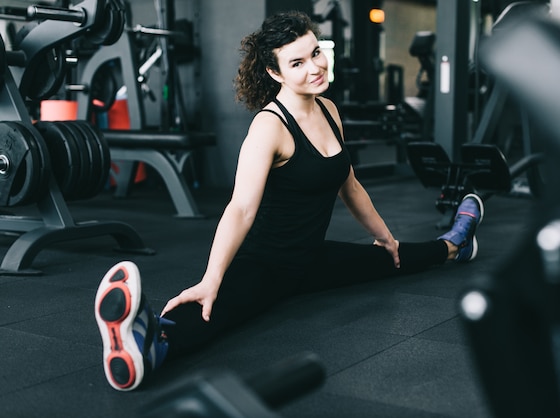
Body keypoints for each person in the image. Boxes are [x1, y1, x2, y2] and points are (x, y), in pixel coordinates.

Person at [94, 10, 485, 392]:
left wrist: (384, 235)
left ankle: (455, 246)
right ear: (274, 73)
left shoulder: (330, 110)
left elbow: (349, 184)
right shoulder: (269, 127)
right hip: (266, 260)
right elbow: (241, 208)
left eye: (315, 53)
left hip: (311, 257)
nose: (315, 67)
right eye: (297, 62)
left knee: (396, 259)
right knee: (218, 308)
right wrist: (211, 277)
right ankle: (147, 345)